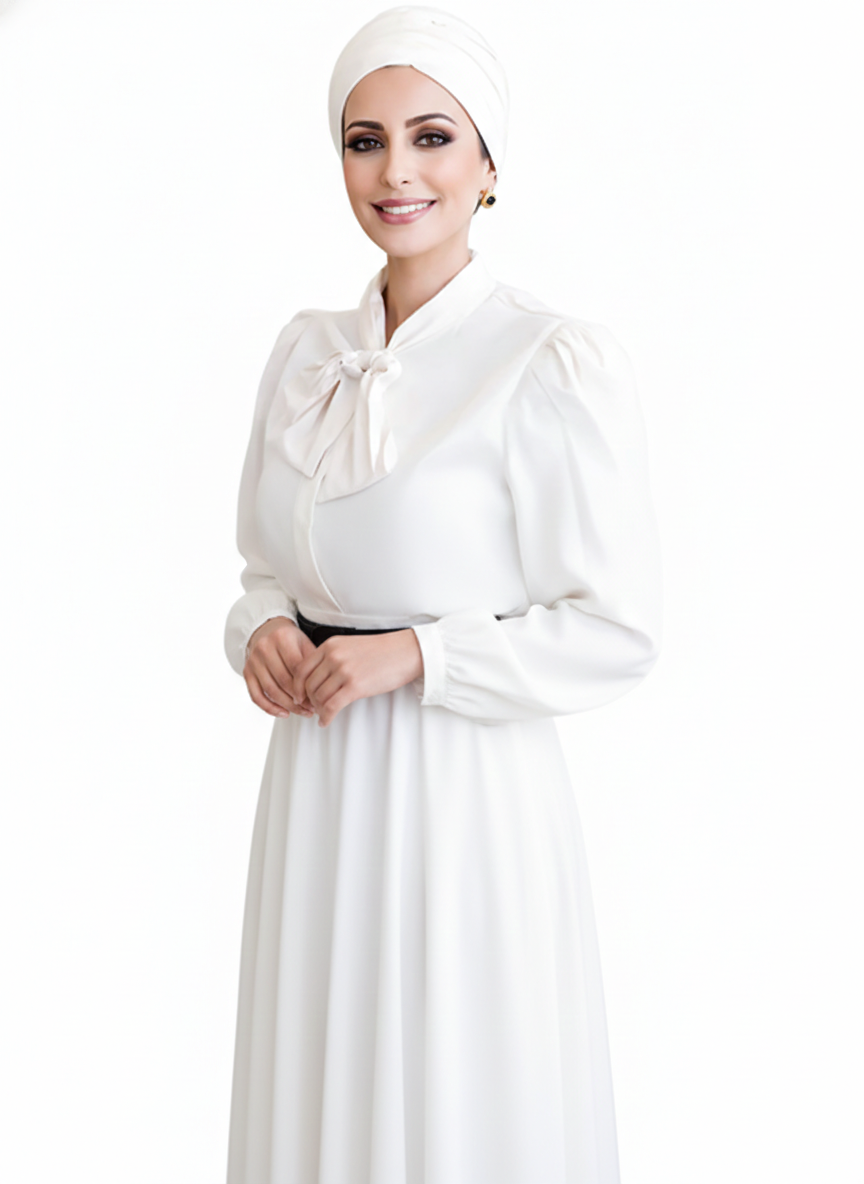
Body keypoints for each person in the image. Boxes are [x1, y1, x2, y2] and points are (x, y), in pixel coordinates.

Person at [223, 7, 662, 1182]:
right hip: (318, 790)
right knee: (322, 1086)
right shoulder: (306, 352)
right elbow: (263, 566)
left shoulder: (547, 358)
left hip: (462, 794)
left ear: (489, 164)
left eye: (432, 137)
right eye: (365, 142)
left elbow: (615, 627)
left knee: (460, 1084)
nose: (397, 173)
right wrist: (258, 629)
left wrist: (419, 653)